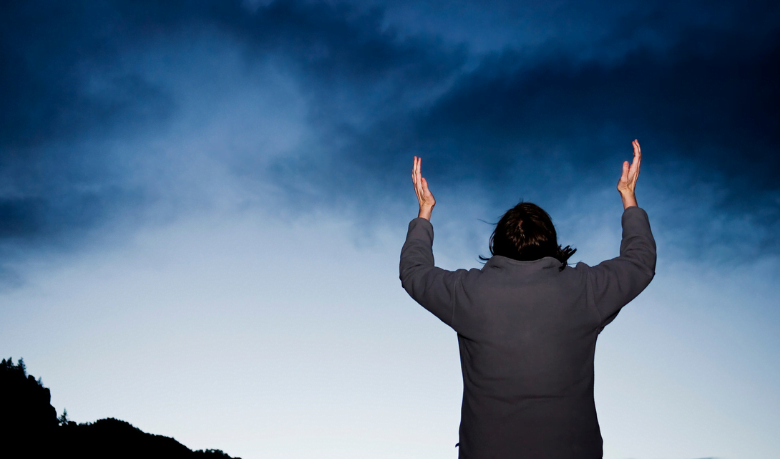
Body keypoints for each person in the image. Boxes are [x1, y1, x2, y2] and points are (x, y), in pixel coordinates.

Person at [399, 140, 656, 458]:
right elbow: (640, 264)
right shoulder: (583, 290)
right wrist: (629, 199)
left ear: (498, 244)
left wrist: (424, 215)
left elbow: (413, 273)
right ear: (551, 241)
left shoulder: (468, 294)